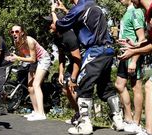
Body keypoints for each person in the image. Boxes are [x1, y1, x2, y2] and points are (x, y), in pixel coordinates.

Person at [51, 0, 124, 134]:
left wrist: (53, 11)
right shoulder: (91, 5)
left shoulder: (79, 7)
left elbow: (59, 25)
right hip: (108, 51)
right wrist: (65, 10)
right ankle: (118, 120)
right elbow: (80, 20)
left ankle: (85, 124)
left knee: (83, 85)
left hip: (94, 51)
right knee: (105, 87)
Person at [118, 0, 152, 134]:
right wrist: (136, 46)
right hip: (129, 53)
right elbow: (148, 40)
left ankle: (138, 124)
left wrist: (134, 54)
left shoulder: (137, 12)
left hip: (133, 57)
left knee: (142, 86)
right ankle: (138, 124)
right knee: (121, 85)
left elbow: (142, 36)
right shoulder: (147, 12)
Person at [6, 24, 51, 121]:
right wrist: (13, 58)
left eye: (17, 31)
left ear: (22, 33)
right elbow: (25, 55)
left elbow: (33, 59)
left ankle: (42, 113)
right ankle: (36, 112)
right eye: (12, 32)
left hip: (43, 59)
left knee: (36, 84)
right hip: (33, 61)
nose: (14, 33)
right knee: (30, 88)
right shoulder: (16, 42)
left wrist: (18, 58)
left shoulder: (29, 41)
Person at [43, 10, 81, 125]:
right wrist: (61, 73)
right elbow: (61, 56)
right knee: (66, 89)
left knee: (76, 88)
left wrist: (73, 78)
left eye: (51, 23)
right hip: (73, 63)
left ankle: (84, 117)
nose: (48, 25)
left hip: (82, 62)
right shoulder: (56, 38)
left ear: (58, 23)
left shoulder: (70, 36)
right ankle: (78, 114)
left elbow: (77, 59)